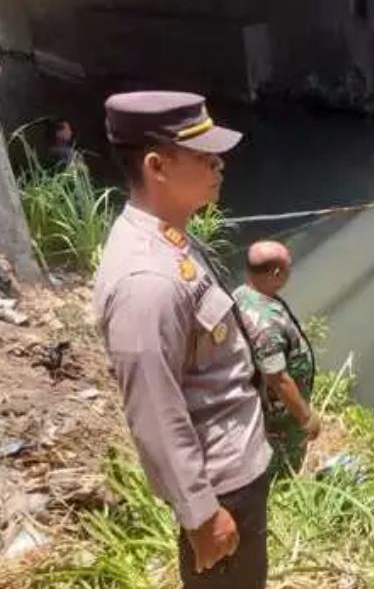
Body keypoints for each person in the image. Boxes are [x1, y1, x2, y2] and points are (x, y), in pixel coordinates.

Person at [93, 91, 271, 589]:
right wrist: (200, 515)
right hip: (220, 489)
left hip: (235, 468)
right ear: (157, 166)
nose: (219, 165)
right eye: (203, 156)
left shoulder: (170, 236)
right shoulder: (147, 279)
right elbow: (155, 408)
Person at [234, 241, 321, 480]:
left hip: (264, 404)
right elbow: (277, 378)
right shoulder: (265, 324)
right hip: (281, 413)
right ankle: (281, 484)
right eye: (288, 268)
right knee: (285, 458)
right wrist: (305, 417)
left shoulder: (243, 294)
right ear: (276, 273)